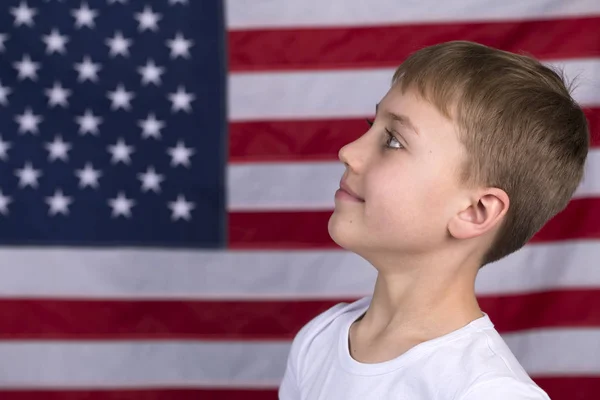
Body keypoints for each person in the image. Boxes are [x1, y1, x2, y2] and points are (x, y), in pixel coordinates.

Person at [278, 40, 589, 399]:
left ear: (476, 212)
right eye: (370, 124)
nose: (348, 152)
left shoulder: (486, 391)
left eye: (393, 141)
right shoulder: (320, 339)